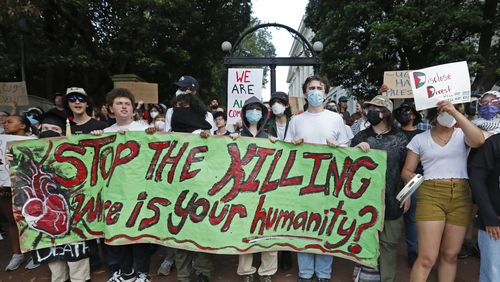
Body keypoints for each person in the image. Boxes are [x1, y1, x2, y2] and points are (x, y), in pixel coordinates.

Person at [401, 101, 484, 282]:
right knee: (427, 258)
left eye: (452, 109)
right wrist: (414, 179)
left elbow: (478, 140)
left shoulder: (463, 135)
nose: (447, 113)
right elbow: (406, 171)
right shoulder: (420, 139)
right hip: (430, 193)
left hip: (461, 195)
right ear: (434, 113)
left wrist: (455, 112)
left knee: (450, 255)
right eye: (443, 110)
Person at [285, 75, 350, 282]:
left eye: (319, 88)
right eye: (311, 88)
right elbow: (286, 151)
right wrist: (293, 144)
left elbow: (347, 151)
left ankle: (324, 273)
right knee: (302, 225)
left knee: (326, 225)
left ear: (325, 91)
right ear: (305, 93)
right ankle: (305, 273)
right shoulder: (296, 120)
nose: (315, 91)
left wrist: (337, 147)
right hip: (301, 182)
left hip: (329, 183)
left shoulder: (336, 119)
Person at [91, 88, 155, 282]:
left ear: (133, 108)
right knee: (119, 232)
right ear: (110, 109)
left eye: (127, 103)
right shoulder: (103, 133)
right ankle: (126, 272)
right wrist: (95, 138)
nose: (124, 106)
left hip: (139, 192)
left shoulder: (145, 130)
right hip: (114, 193)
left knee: (140, 234)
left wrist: (154, 135)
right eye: (119, 103)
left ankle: (142, 273)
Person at [351, 96, 410, 282]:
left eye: (376, 109)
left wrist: (407, 194)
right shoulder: (361, 136)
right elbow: (348, 166)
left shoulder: (399, 138)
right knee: (364, 240)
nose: (371, 112)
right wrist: (356, 151)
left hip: (392, 200)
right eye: (370, 108)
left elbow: (406, 169)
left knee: (389, 244)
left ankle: (387, 278)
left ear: (385, 113)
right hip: (364, 200)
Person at [33, 114, 91, 282]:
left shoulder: (74, 156)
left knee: (78, 269)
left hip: (73, 219)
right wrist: (12, 160)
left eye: (54, 130)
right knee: (57, 272)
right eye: (45, 129)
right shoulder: (28, 155)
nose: (49, 132)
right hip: (45, 223)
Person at [232, 96, 277, 282]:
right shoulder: (236, 136)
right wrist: (230, 138)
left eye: (258, 109)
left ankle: (267, 272)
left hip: (266, 191)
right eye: (251, 109)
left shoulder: (269, 138)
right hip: (243, 191)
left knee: (269, 230)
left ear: (263, 114)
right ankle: (246, 271)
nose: (255, 113)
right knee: (245, 230)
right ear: (244, 114)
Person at [0, 115, 38, 271]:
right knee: (12, 221)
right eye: (5, 122)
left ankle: (35, 253)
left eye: (10, 122)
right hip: (4, 188)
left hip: (28, 187)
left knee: (32, 220)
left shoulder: (35, 142)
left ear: (23, 126)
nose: (5, 124)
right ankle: (18, 254)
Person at [393, 101, 423, 268]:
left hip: (414, 181)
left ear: (413, 115)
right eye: (401, 111)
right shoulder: (394, 133)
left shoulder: (422, 135)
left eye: (407, 111)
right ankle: (388, 250)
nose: (404, 114)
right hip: (393, 179)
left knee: (411, 218)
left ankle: (413, 251)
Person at [469, 133, 500, 282]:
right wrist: (490, 218)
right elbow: (477, 179)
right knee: (492, 274)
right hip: (494, 225)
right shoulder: (494, 143)